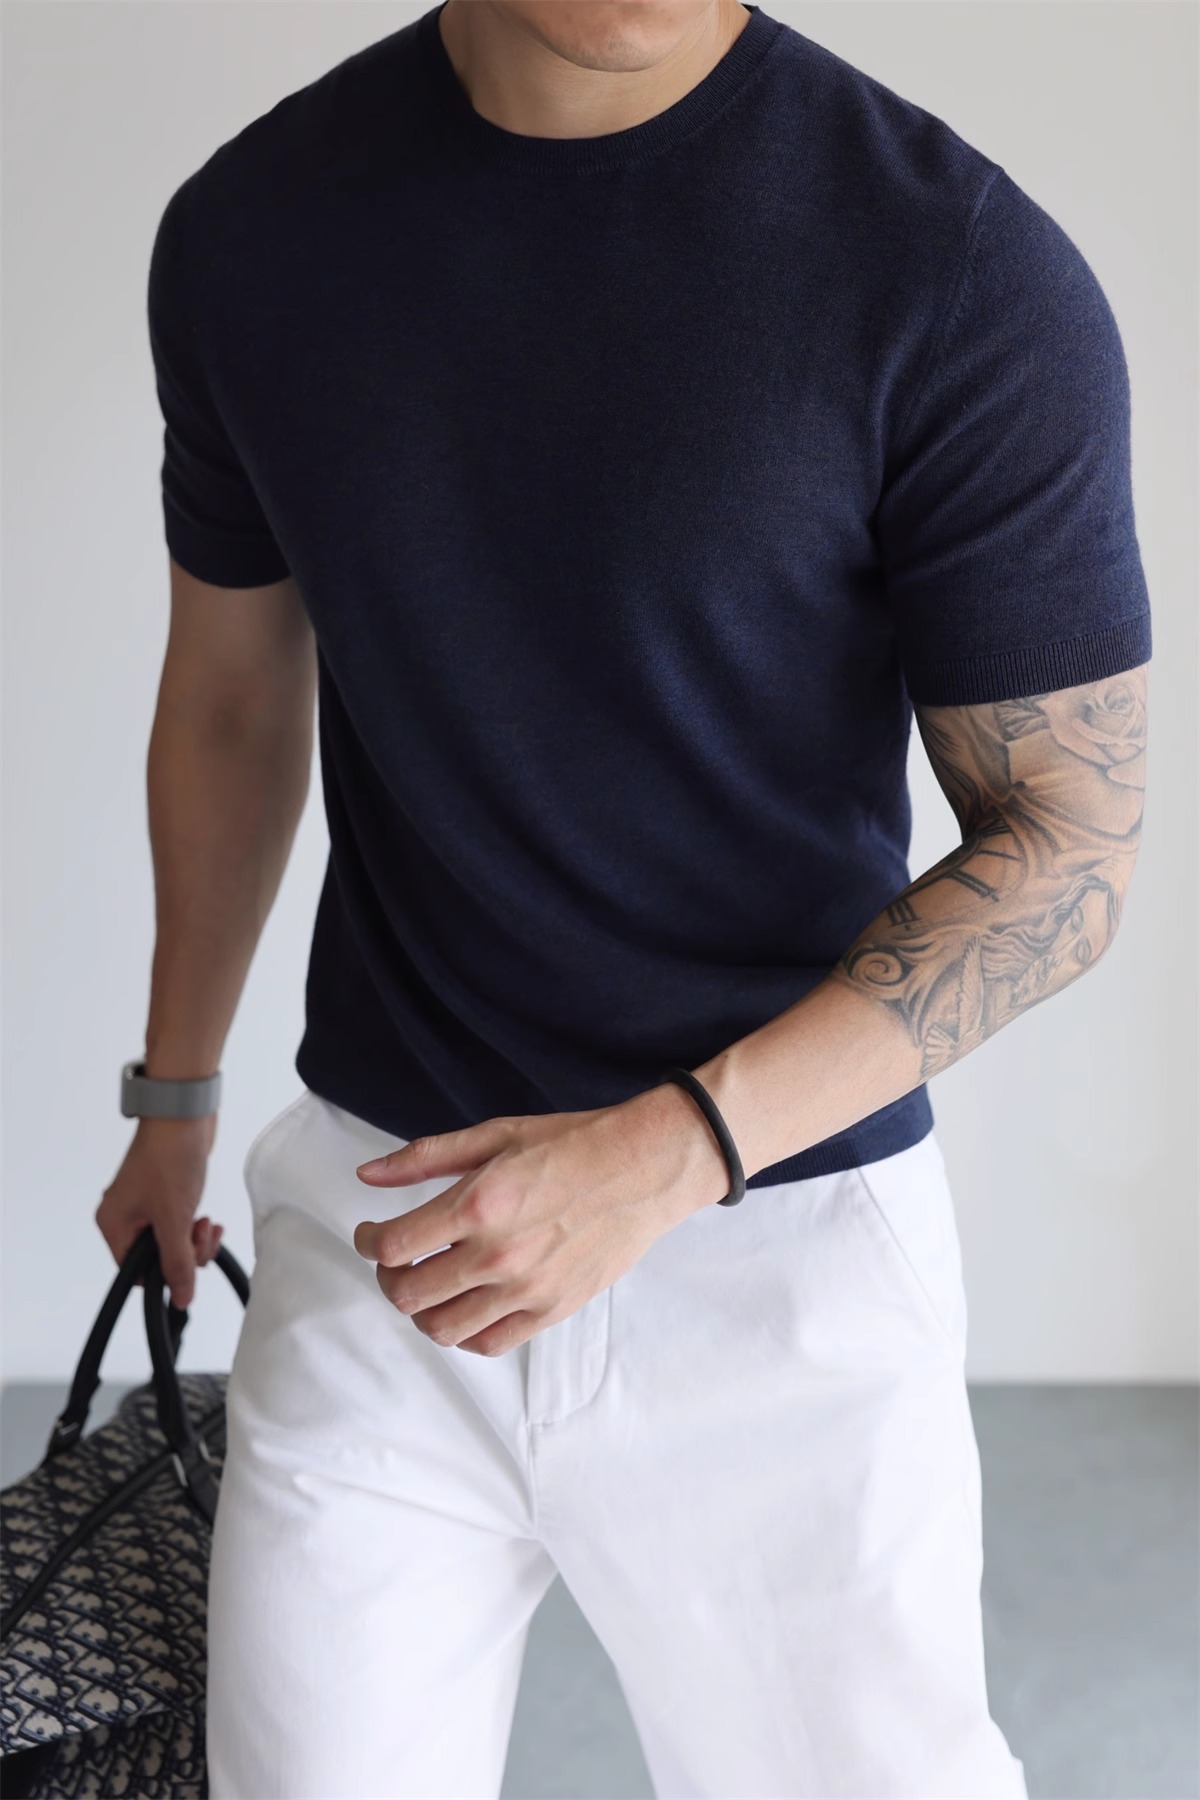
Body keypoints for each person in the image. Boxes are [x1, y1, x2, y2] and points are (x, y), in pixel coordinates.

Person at [98, 1, 1151, 1793]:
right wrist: (173, 1102)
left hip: (786, 1253)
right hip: (381, 1230)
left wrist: (671, 1153)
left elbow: (1067, 839)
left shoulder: (957, 270)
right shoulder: (254, 230)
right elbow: (231, 698)